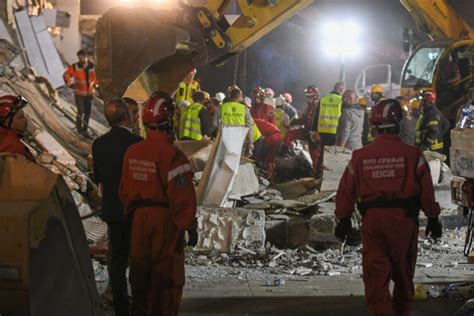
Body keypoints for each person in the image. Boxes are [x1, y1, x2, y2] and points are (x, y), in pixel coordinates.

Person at [334, 98, 442, 315]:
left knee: (375, 276)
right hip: (404, 221)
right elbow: (426, 191)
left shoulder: (360, 156)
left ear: (373, 127)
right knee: (403, 276)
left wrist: (343, 218)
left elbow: (345, 190)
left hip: (373, 222)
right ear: (398, 124)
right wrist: (432, 217)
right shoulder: (413, 155)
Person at [119, 91, 198, 316]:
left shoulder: (132, 152)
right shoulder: (173, 156)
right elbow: (182, 199)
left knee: (140, 274)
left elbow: (124, 190)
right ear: (169, 121)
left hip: (138, 220)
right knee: (166, 277)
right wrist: (189, 226)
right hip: (165, 221)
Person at [92, 98, 143, 316]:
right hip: (137, 209)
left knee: (118, 260)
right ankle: (141, 302)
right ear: (126, 117)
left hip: (113, 209)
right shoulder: (138, 143)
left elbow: (100, 178)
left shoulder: (99, 144)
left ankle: (121, 305)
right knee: (140, 257)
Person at [283, 85, 324, 185]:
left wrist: (317, 135)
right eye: (307, 96)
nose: (308, 98)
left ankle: (318, 177)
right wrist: (292, 123)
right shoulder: (309, 106)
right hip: (307, 131)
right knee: (290, 134)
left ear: (315, 96)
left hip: (315, 134)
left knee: (315, 156)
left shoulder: (320, 106)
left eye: (310, 96)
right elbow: (304, 119)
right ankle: (284, 153)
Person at [63, 49, 98, 138]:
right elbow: (66, 75)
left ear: (86, 57)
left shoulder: (93, 67)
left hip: (90, 94)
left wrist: (96, 85)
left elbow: (97, 78)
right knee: (80, 111)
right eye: (79, 58)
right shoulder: (75, 66)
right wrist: (70, 84)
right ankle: (79, 131)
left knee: (87, 113)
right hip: (79, 94)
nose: (80, 59)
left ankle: (85, 131)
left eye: (81, 57)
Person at [220, 87, 254, 156]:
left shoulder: (222, 107)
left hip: (224, 140)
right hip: (239, 141)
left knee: (223, 160)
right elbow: (249, 127)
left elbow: (214, 123)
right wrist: (250, 144)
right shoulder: (244, 109)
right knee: (235, 162)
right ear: (239, 97)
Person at [415, 90, 450, 154]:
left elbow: (434, 131)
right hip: (435, 147)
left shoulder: (431, 113)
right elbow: (447, 124)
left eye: (423, 100)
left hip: (432, 148)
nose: (421, 102)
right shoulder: (434, 111)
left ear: (427, 101)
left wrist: (426, 145)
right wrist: (440, 135)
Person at [0, 95, 33, 160]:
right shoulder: (11, 146)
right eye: (20, 117)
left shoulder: (9, 140)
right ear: (6, 121)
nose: (25, 120)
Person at [254, 119, 281, 183]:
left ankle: (265, 177)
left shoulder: (252, 124)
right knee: (270, 160)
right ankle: (271, 180)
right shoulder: (256, 121)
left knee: (263, 160)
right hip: (277, 136)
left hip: (272, 138)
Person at [318, 82, 345, 146]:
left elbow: (316, 116)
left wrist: (314, 130)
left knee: (322, 152)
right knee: (331, 154)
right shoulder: (341, 100)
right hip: (335, 132)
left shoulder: (323, 99)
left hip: (321, 132)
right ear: (341, 90)